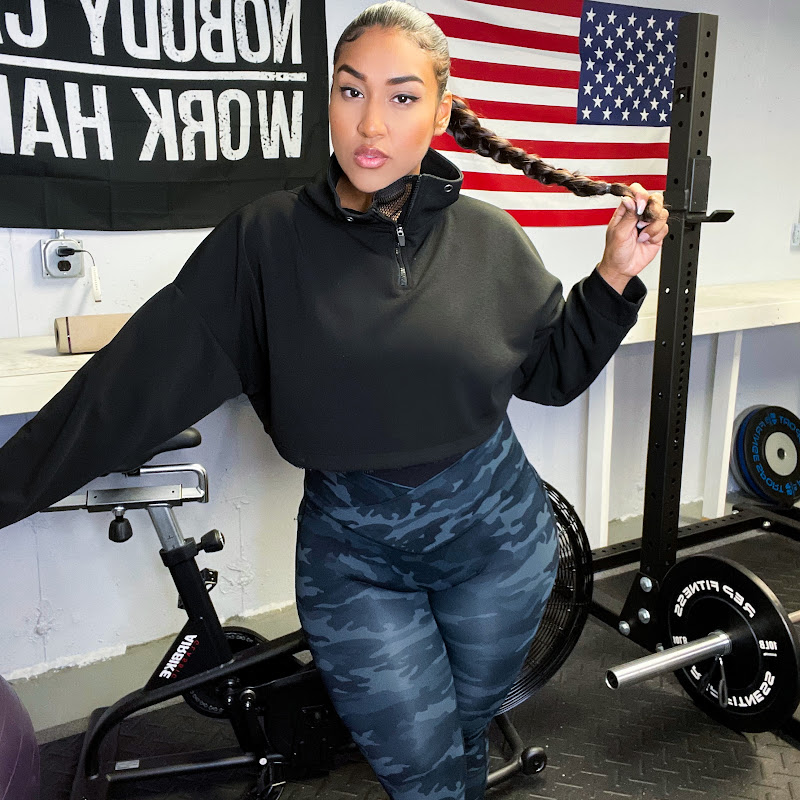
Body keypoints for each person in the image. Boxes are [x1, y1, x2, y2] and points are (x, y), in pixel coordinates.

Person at [0, 2, 669, 798]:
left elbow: (552, 377)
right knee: (418, 766)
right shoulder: (264, 241)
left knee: (463, 731)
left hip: (499, 546)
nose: (370, 124)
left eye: (401, 96)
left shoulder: (491, 237)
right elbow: (125, 390)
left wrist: (615, 276)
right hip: (357, 561)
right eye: (351, 92)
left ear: (441, 113)